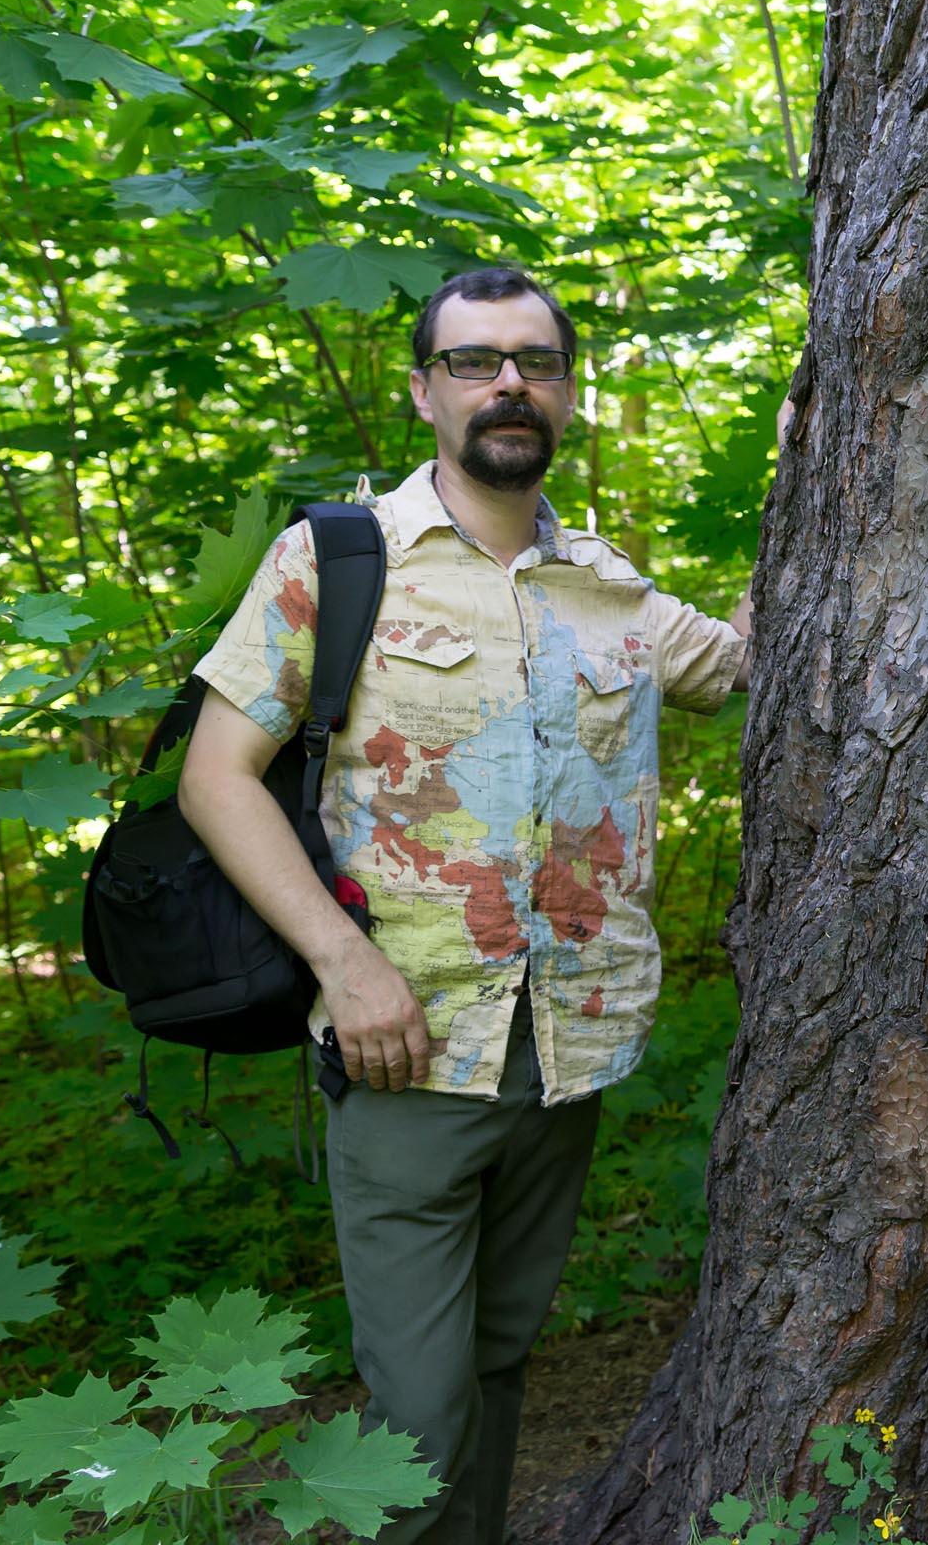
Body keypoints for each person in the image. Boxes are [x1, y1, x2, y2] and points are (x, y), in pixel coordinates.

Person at [176, 266, 752, 1544]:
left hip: (572, 1051)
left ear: (565, 389)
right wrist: (342, 961)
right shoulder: (339, 559)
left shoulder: (610, 588)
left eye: (536, 362)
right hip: (405, 1048)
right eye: (478, 360)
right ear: (428, 389)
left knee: (498, 1365)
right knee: (421, 1415)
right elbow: (218, 778)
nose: (510, 384)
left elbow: (757, 655)